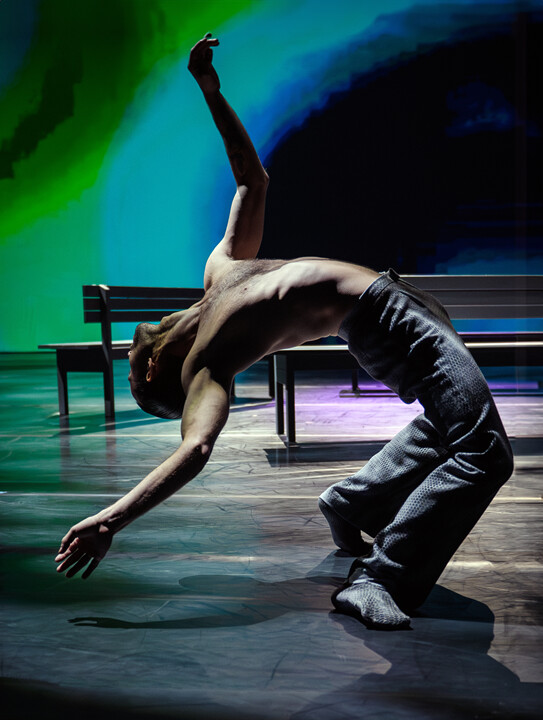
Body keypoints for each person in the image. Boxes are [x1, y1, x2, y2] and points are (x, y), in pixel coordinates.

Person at [55, 35, 513, 630]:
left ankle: (355, 502)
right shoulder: (206, 368)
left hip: (399, 303)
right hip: (386, 321)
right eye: (130, 363)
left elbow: (253, 179)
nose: (129, 348)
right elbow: (194, 450)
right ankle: (380, 578)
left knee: (451, 427)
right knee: (484, 452)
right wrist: (110, 520)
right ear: (151, 368)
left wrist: (209, 90)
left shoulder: (219, 273)